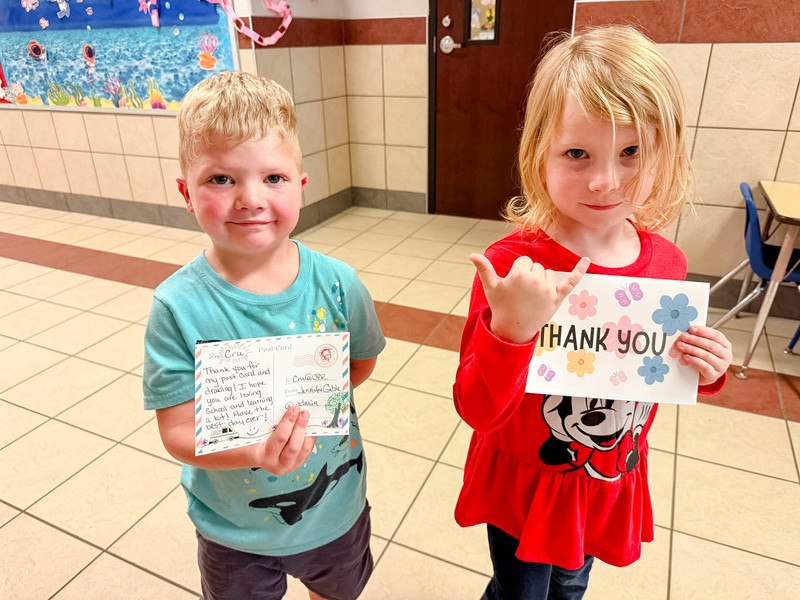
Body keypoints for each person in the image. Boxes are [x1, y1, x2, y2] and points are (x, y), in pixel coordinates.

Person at [453, 26, 732, 600]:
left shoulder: (666, 264)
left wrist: (706, 367)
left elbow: (660, 370)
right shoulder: (515, 268)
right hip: (526, 480)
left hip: (606, 473)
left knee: (572, 588)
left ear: (666, 153)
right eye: (577, 154)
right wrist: (511, 330)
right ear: (538, 153)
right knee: (520, 594)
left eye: (632, 152)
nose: (605, 181)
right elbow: (478, 407)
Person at [143, 71, 385, 600]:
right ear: (186, 192)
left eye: (272, 178)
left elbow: (359, 365)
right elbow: (177, 432)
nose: (250, 199)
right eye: (221, 179)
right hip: (234, 530)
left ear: (301, 185)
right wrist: (253, 448)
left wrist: (313, 403)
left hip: (335, 510)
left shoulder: (340, 286)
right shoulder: (177, 307)